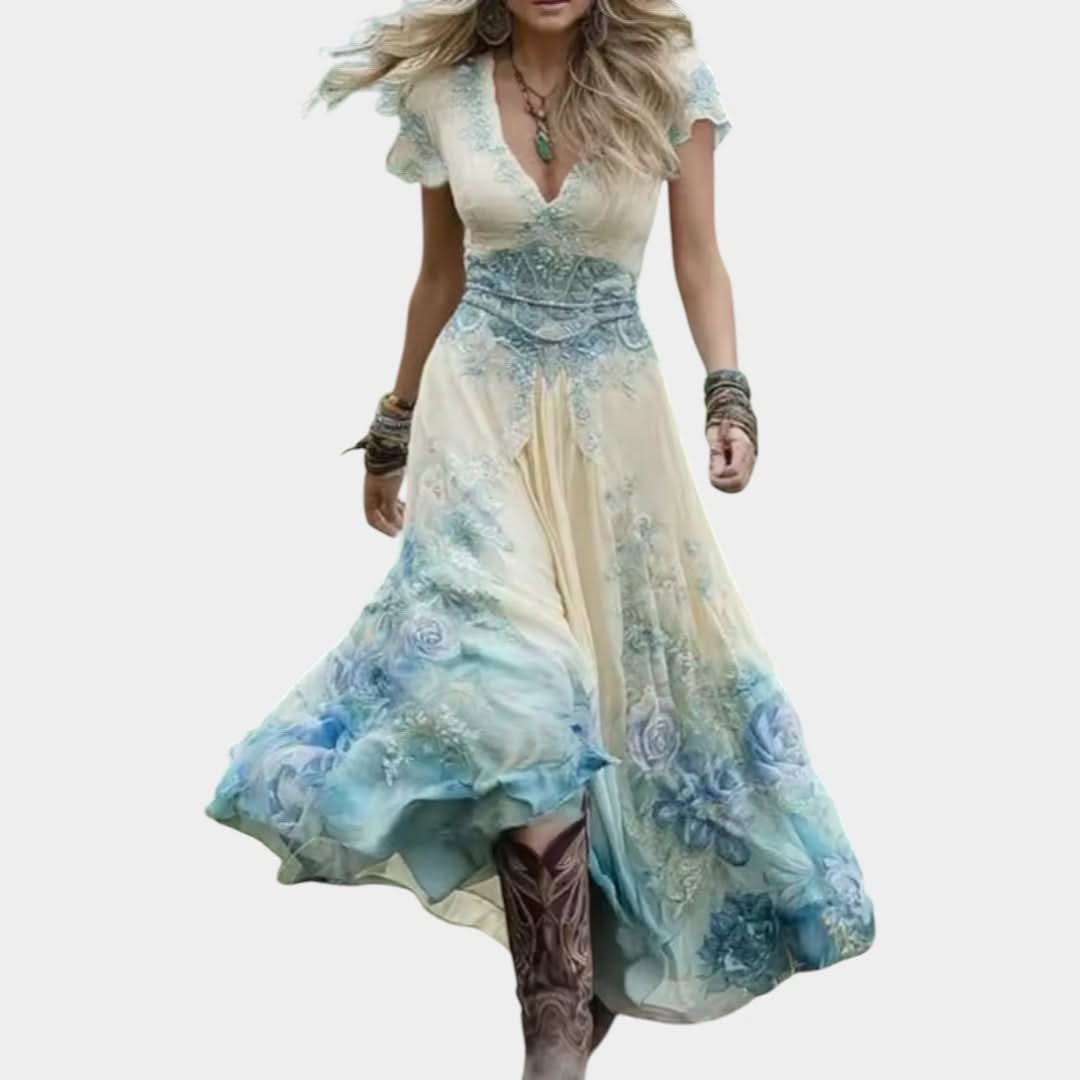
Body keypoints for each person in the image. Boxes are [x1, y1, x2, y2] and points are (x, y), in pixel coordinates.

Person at [204, 2, 876, 1076]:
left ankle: (581, 990)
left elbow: (701, 259)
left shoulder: (668, 76)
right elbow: (440, 276)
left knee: (627, 705)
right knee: (521, 690)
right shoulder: (442, 93)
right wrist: (392, 426)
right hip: (479, 417)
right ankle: (553, 1032)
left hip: (615, 424)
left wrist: (730, 394)